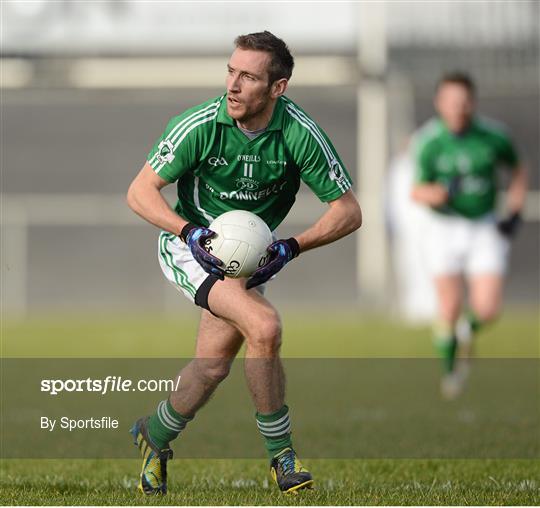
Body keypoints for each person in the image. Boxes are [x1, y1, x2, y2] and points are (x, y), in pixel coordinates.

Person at [126, 31, 362, 495]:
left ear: (278, 88)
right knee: (265, 327)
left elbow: (348, 212)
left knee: (212, 366)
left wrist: (291, 246)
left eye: (249, 76)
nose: (233, 85)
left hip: (248, 259)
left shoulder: (298, 133)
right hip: (190, 247)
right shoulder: (199, 125)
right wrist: (188, 232)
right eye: (231, 72)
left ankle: (153, 436)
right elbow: (138, 192)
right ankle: (283, 458)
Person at [411, 72, 528, 398]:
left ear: (472, 103)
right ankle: (450, 375)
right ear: (439, 103)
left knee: (487, 308)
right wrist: (436, 193)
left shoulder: (492, 136)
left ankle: (468, 330)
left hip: (483, 227)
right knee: (448, 306)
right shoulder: (429, 141)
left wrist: (515, 210)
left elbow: (518, 168)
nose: (458, 107)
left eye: (464, 101)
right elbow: (417, 190)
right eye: (451, 101)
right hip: (443, 228)